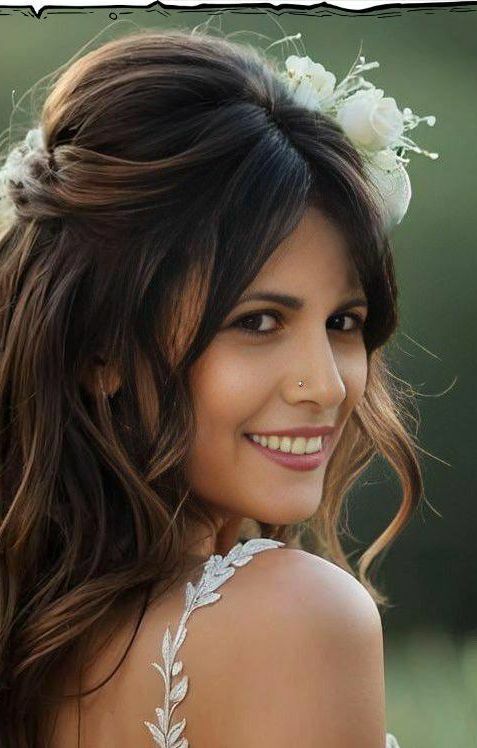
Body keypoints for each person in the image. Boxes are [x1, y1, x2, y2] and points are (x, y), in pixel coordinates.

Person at [0, 26, 437, 747]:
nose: (327, 386)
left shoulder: (33, 638)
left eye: (343, 322)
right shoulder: (297, 618)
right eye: (257, 321)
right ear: (101, 349)